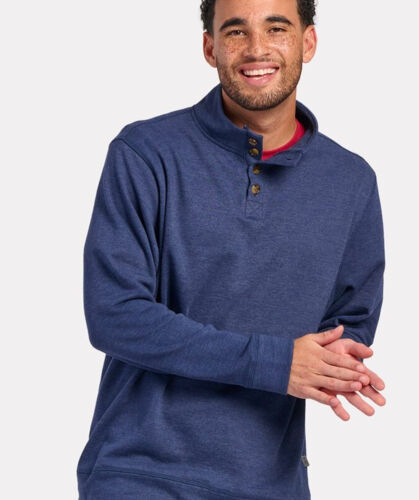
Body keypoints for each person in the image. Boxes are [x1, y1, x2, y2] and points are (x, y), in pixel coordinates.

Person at [76, 0, 386, 498]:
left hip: (274, 481)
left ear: (307, 42)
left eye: (277, 28)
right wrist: (274, 361)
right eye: (236, 31)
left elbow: (349, 323)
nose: (257, 49)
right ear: (210, 47)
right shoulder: (145, 153)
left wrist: (337, 365)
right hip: (141, 473)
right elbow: (115, 314)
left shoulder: (350, 181)